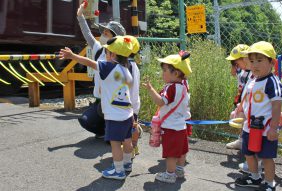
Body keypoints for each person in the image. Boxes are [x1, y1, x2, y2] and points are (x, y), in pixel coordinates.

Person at [59, 36, 135, 180]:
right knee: (127, 141)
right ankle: (127, 164)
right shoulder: (126, 70)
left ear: (113, 55)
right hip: (127, 113)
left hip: (114, 115)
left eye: (106, 52)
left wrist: (72, 56)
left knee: (115, 144)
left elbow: (90, 63)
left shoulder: (108, 67)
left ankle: (118, 171)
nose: (105, 55)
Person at [235, 41, 282, 191]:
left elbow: (277, 105)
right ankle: (254, 177)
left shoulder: (272, 82)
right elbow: (246, 99)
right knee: (248, 153)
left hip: (265, 129)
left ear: (272, 62)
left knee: (266, 157)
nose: (254, 65)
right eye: (251, 61)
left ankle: (269, 183)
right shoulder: (253, 80)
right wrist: (240, 109)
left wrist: (274, 128)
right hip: (249, 127)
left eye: (259, 60)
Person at [76, 2, 126, 137]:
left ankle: (115, 134)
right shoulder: (100, 50)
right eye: (103, 32)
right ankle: (105, 132)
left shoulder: (121, 57)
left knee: (112, 127)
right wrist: (80, 16)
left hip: (116, 101)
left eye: (106, 33)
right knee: (85, 120)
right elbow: (87, 35)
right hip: (100, 100)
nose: (103, 35)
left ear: (116, 38)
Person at [143, 51, 191, 184]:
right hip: (181, 125)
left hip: (170, 126)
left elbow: (160, 102)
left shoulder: (170, 88)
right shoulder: (183, 86)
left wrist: (151, 89)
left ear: (175, 73)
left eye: (165, 70)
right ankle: (179, 169)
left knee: (171, 153)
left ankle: (170, 174)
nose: (162, 73)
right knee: (181, 150)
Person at [225, 44, 251, 150]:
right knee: (240, 118)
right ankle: (241, 140)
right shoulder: (241, 69)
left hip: (249, 100)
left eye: (237, 62)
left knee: (245, 120)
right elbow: (232, 73)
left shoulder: (253, 72)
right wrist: (234, 65)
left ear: (245, 59)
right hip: (241, 97)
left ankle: (246, 142)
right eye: (234, 63)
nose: (236, 65)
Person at [125, 35, 142, 158]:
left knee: (128, 129)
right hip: (135, 101)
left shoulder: (127, 66)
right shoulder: (134, 64)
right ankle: (134, 146)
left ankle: (129, 150)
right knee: (134, 125)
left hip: (128, 102)